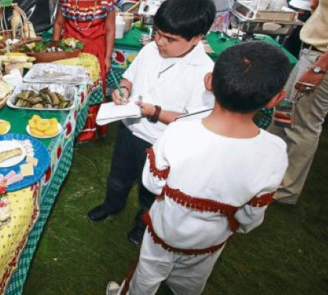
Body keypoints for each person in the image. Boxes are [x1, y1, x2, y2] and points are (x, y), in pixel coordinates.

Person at [106, 41, 290, 295]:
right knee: (190, 284)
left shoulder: (179, 130)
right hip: (210, 239)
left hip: (165, 230)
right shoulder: (274, 151)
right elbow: (250, 216)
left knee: (146, 275)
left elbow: (152, 182)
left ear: (209, 82)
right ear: (276, 98)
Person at [86, 0, 216, 247]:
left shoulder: (205, 72)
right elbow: (129, 78)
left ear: (197, 38)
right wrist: (122, 90)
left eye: (169, 38)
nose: (159, 42)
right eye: (157, 33)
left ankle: (142, 224)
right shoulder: (149, 50)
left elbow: (193, 121)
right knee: (118, 177)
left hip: (160, 145)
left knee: (151, 191)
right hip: (129, 130)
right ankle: (112, 204)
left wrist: (154, 111)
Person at [53, 0, 124, 142]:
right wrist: (55, 49)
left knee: (92, 90)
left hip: (96, 50)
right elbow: (59, 24)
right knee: (69, 89)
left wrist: (107, 57)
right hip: (70, 52)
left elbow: (109, 30)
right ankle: (66, 129)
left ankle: (88, 131)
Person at [268, 0, 328, 205]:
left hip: (320, 59)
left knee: (304, 124)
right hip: (310, 52)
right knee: (284, 110)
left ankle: (286, 190)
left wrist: (320, 68)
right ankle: (269, 168)